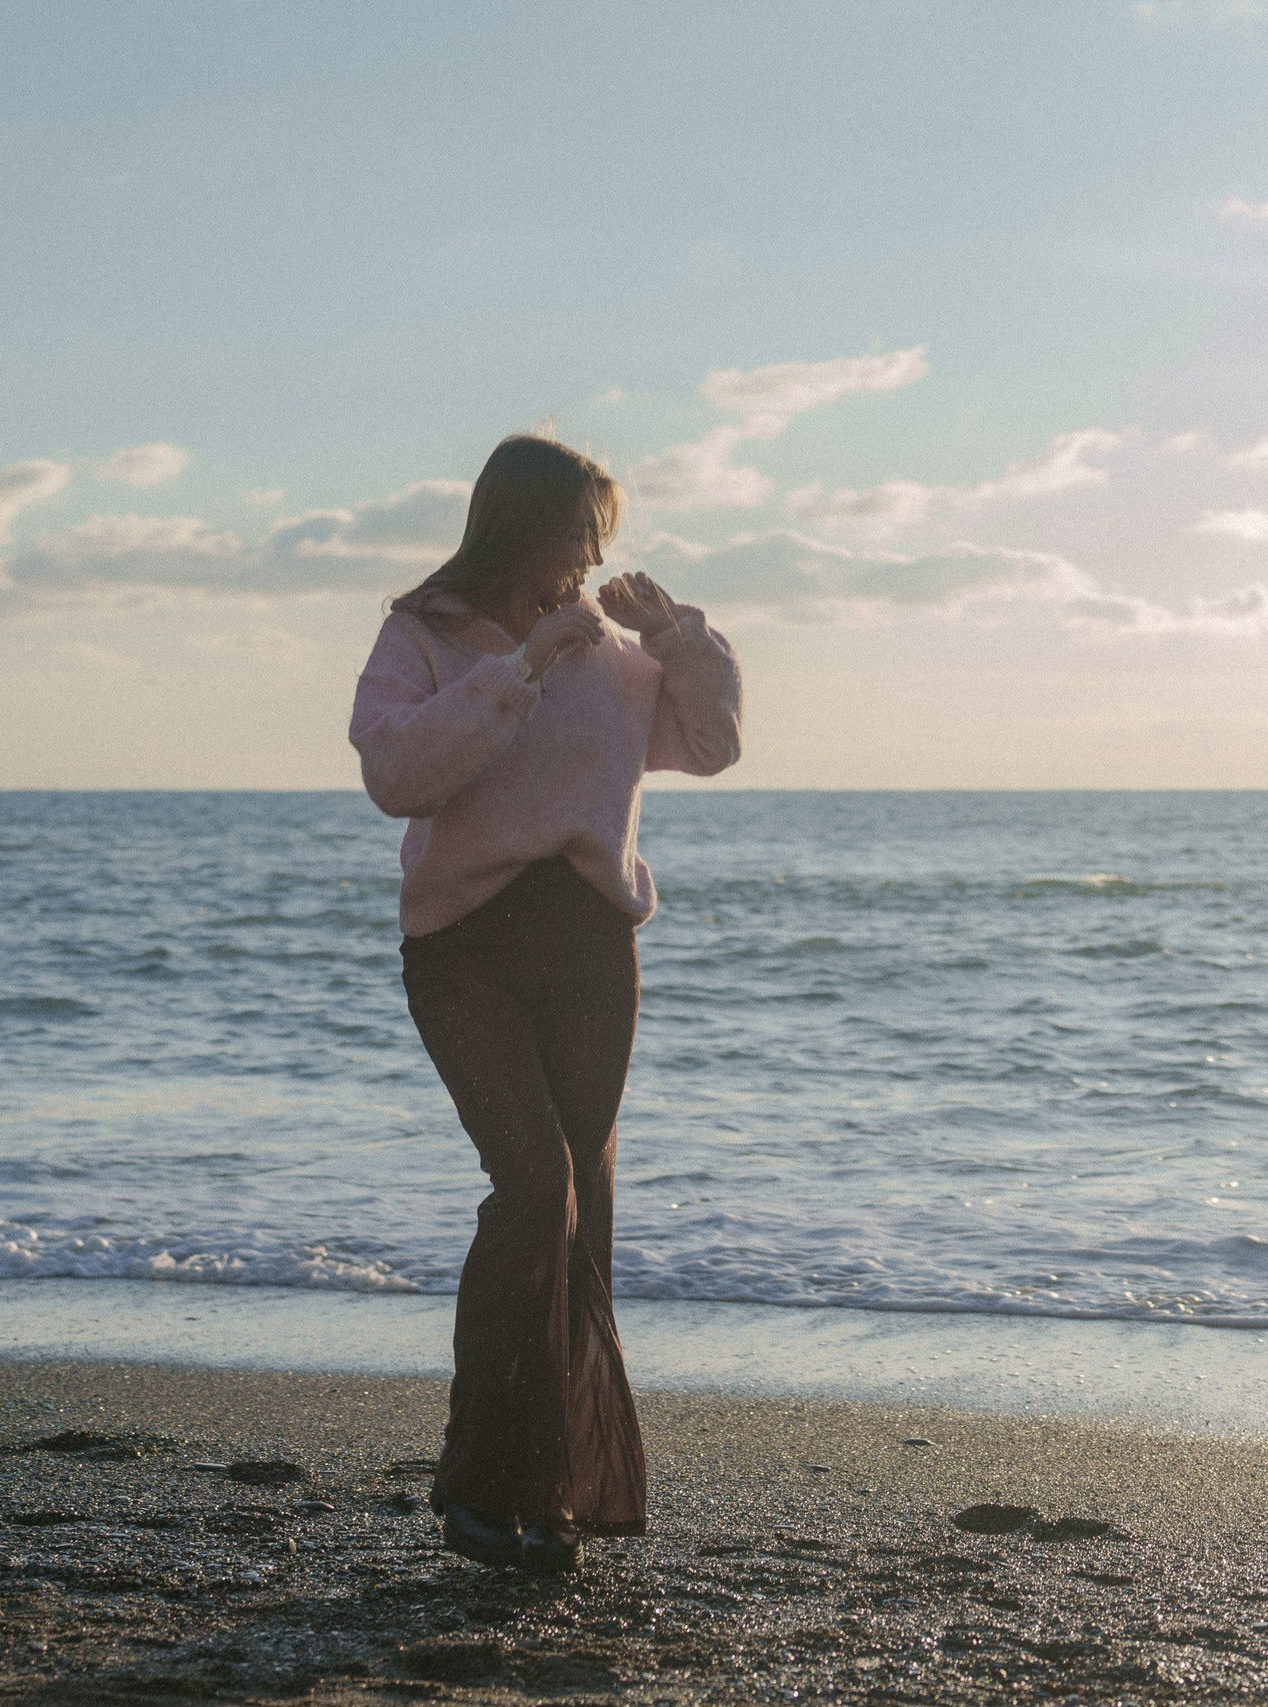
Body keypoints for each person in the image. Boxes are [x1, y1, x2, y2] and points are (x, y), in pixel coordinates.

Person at [347, 434, 743, 1574]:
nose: (589, 556)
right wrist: (521, 664)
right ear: (518, 527)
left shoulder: (615, 657)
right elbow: (396, 777)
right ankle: (482, 1489)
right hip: (465, 945)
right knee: (534, 1184)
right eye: (575, 531)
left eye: (597, 534)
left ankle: (552, 1493)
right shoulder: (421, 635)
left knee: (582, 1206)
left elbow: (711, 743)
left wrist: (678, 638)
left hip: (589, 949)